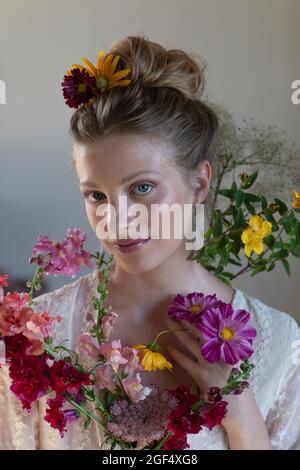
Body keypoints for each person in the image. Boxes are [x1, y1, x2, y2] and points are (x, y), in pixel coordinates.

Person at [0, 35, 299, 450]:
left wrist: (244, 422)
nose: (116, 219)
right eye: (96, 196)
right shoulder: (38, 337)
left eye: (142, 188)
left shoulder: (281, 347)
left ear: (199, 183)